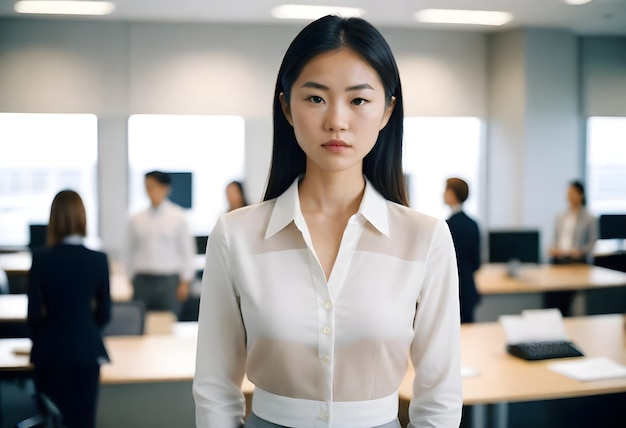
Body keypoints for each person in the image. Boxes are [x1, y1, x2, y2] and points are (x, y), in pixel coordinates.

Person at [193, 15, 462, 428]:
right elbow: (215, 386)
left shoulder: (425, 239)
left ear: (388, 110)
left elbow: (440, 392)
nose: (337, 119)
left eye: (358, 100)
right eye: (316, 98)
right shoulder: (236, 236)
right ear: (286, 105)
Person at [27, 190, 111, 428]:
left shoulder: (41, 259)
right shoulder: (98, 259)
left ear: (53, 219)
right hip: (86, 351)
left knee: (51, 419)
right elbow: (105, 313)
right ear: (82, 218)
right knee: (82, 419)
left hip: (50, 351)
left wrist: (44, 337)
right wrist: (84, 329)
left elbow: (33, 315)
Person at [123, 170, 196, 316]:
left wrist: (185, 281)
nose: (149, 191)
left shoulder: (178, 217)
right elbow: (129, 250)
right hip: (143, 279)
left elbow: (187, 251)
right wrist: (129, 276)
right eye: (147, 187)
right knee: (142, 322)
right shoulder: (136, 219)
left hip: (169, 280)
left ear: (165, 188)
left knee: (168, 323)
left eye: (153, 186)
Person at [545, 180, 598, 315]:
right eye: (568, 193)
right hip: (559, 261)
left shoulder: (590, 218)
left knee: (570, 298)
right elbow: (555, 239)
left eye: (573, 192)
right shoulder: (561, 217)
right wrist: (553, 248)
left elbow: (592, 242)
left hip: (576, 262)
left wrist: (581, 252)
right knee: (552, 296)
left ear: (581, 195)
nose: (569, 196)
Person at [444, 177, 481, 323]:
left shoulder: (447, 226)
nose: (443, 194)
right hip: (468, 289)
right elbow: (476, 263)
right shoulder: (473, 224)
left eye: (445, 190)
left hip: (453, 290)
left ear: (452, 194)